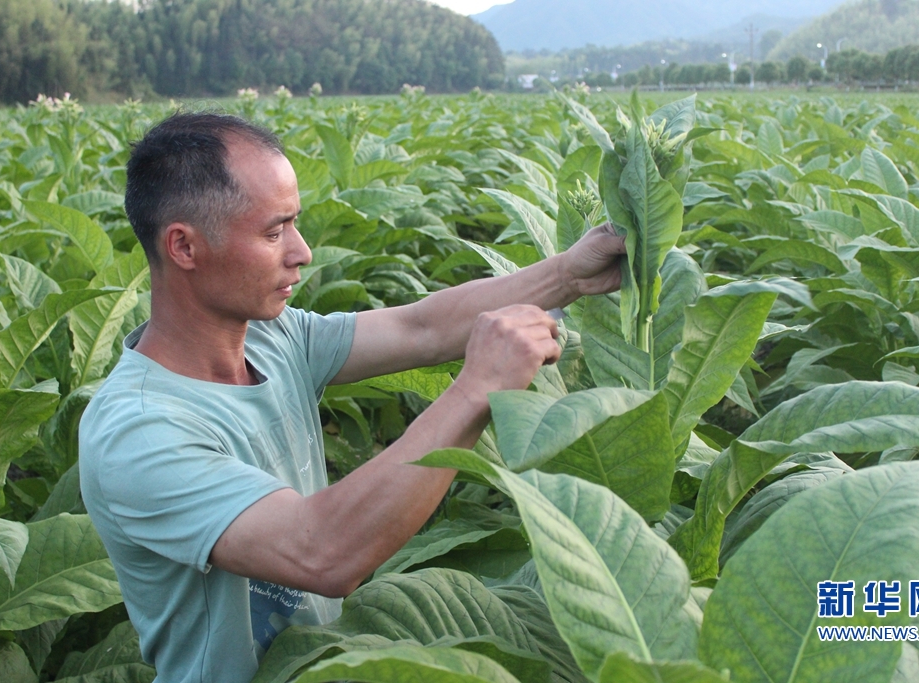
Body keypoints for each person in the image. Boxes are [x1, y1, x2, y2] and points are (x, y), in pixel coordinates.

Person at [79, 111, 625, 683]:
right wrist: (477, 389)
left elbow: (422, 328)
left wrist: (568, 276)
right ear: (185, 247)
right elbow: (323, 552)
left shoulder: (272, 336)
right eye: (273, 232)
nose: (303, 251)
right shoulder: (138, 432)